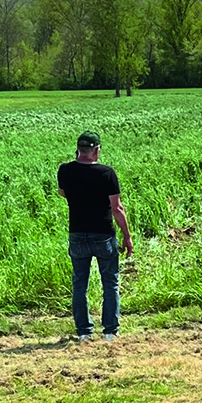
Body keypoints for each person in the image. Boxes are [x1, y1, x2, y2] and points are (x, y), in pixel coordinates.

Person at [57, 131, 133, 341]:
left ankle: (84, 332)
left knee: (80, 283)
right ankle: (110, 331)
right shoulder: (106, 173)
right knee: (110, 282)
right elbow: (117, 208)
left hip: (77, 233)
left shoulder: (65, 170)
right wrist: (127, 236)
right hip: (103, 234)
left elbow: (63, 193)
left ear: (78, 150)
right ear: (97, 150)